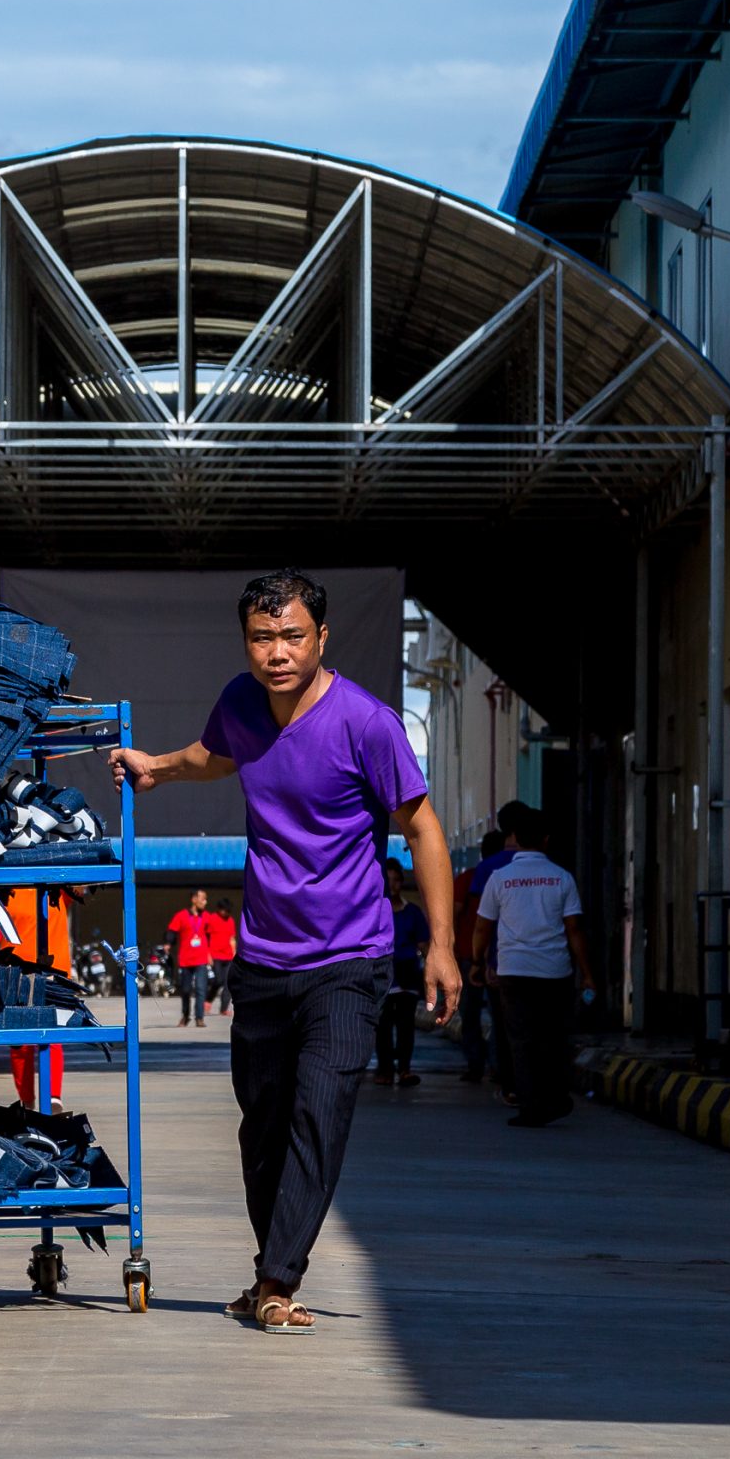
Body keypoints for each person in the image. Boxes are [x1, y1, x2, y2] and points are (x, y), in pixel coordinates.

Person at [113, 569, 457, 1335]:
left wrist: (442, 945)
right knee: (262, 1123)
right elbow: (217, 753)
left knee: (318, 1109)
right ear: (247, 642)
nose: (277, 652)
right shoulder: (241, 701)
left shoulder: (367, 724)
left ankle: (276, 1279)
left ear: (321, 637)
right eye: (263, 638)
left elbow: (423, 828)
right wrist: (158, 768)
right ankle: (269, 1267)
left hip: (349, 959)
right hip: (264, 961)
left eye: (292, 636)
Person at [464, 801, 591, 1126]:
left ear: (515, 838)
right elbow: (574, 929)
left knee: (520, 1040)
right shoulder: (561, 878)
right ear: (546, 840)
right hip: (554, 971)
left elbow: (482, 927)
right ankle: (555, 1097)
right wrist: (587, 974)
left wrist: (477, 963)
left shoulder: (500, 877)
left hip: (513, 971)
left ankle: (530, 1105)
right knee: (552, 1037)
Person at [3, 885, 71, 1110]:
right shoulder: (8, 886)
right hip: (14, 971)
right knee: (19, 1042)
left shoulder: (57, 887)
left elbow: (81, 886)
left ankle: (53, 1096)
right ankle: (27, 1101)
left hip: (52, 970)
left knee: (51, 1033)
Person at [453, 828, 511, 1085]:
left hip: (471, 954)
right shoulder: (507, 878)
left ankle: (476, 1064)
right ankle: (499, 1068)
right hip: (500, 956)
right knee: (501, 1017)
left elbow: (456, 914)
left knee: (470, 1012)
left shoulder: (469, 878)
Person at [371, 869, 430, 1088]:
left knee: (406, 1024)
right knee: (383, 1024)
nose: (392, 885)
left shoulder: (412, 912)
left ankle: (404, 1068)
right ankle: (385, 1068)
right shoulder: (373, 911)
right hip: (381, 973)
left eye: (396, 880)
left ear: (402, 883)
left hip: (407, 973)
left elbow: (423, 944)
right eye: (389, 880)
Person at [165, 888, 221, 1027]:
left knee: (201, 989)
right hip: (185, 959)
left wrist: (210, 954)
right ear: (194, 899)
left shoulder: (207, 917)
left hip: (201, 959)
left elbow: (210, 936)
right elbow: (172, 931)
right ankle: (185, 1016)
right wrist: (168, 944)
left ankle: (199, 1018)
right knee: (185, 990)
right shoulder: (181, 916)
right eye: (203, 899)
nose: (205, 902)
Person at [210, 900, 239, 1016]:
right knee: (218, 980)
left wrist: (234, 953)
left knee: (228, 983)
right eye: (223, 910)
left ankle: (223, 1008)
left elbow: (232, 938)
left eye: (227, 911)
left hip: (228, 956)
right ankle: (209, 998)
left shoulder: (230, 920)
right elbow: (205, 937)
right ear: (219, 909)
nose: (225, 913)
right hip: (215, 955)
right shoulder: (212, 919)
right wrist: (207, 955)